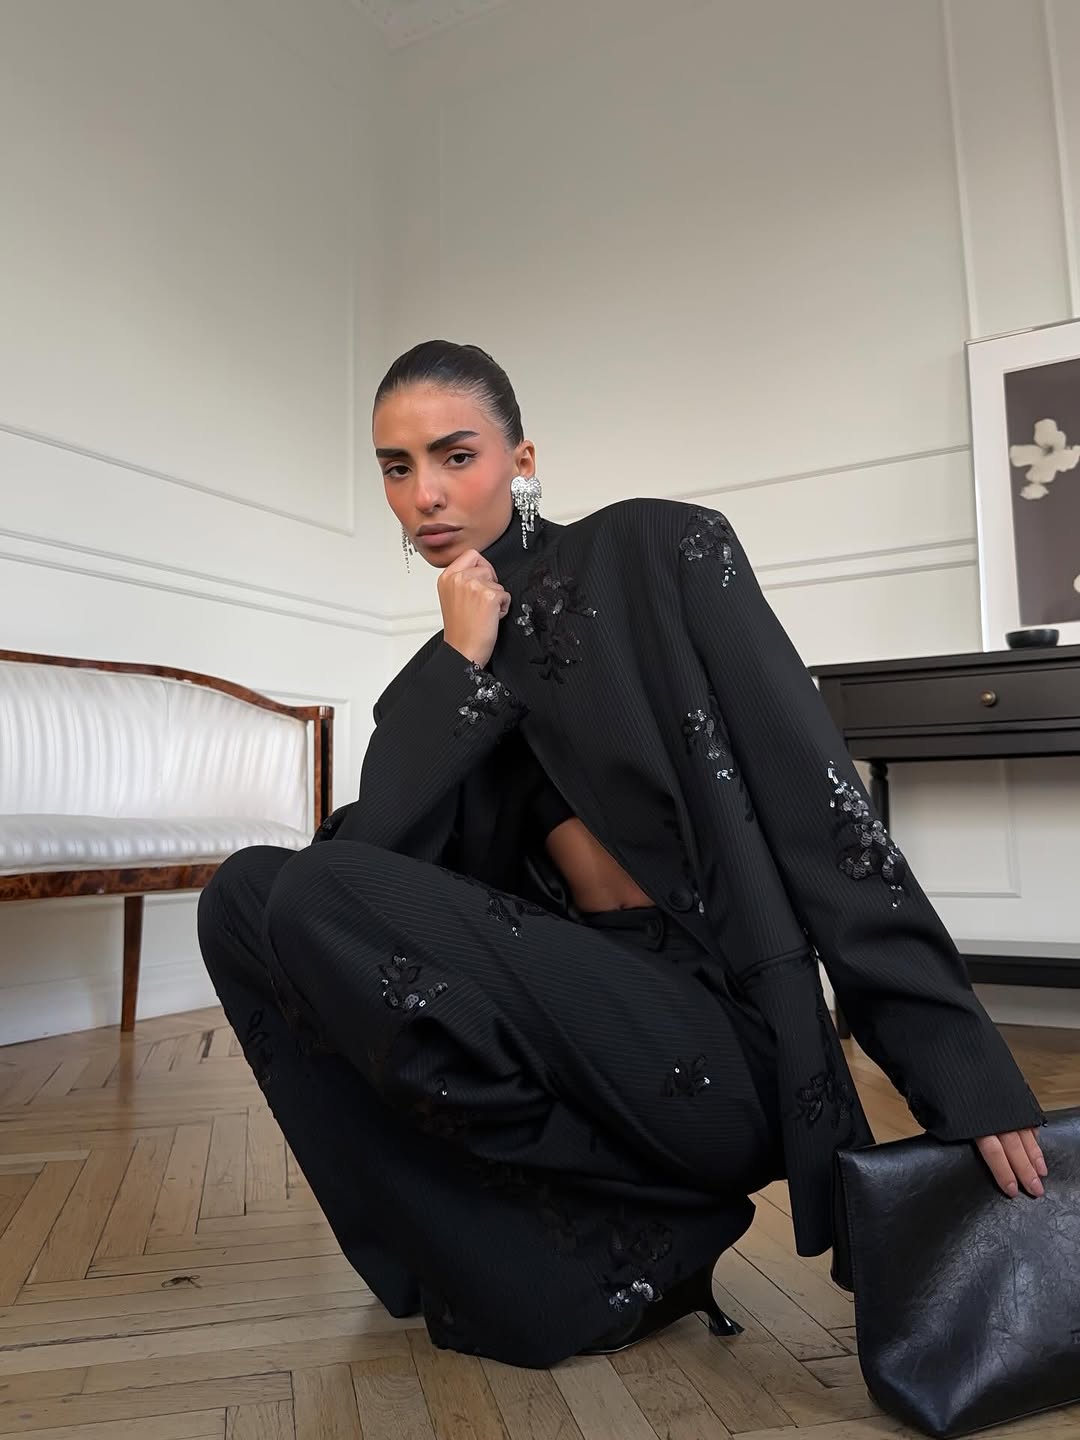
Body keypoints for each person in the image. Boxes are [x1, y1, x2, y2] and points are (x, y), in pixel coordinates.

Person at [198, 340, 1049, 1369]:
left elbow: (826, 814)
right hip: (570, 1025)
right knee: (246, 896)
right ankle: (499, 1246)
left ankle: (662, 1210)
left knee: (313, 887)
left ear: (521, 461)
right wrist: (460, 661)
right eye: (396, 467)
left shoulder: (659, 551)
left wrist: (964, 1071)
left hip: (717, 1038)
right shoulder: (445, 665)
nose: (425, 494)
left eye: (456, 455)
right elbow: (358, 884)